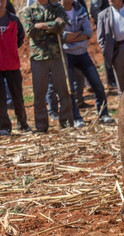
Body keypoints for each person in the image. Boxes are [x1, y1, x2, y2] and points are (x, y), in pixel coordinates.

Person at [22, 0, 73, 132]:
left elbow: (61, 26)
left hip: (57, 56)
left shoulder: (57, 7)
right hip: (39, 58)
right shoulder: (29, 10)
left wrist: (42, 25)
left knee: (63, 91)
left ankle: (66, 122)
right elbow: (30, 32)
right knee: (39, 93)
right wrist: (51, 26)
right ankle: (41, 126)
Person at [61, 0, 114, 125]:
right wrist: (78, 35)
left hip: (82, 53)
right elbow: (61, 36)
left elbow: (88, 32)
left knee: (97, 84)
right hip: (66, 55)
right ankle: (76, 118)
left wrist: (71, 37)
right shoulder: (57, 11)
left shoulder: (80, 9)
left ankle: (103, 114)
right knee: (70, 89)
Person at [0, 0, 31, 135]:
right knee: (0, 99)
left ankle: (22, 124)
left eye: (2, 0)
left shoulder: (13, 20)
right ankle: (4, 127)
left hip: (12, 65)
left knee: (17, 97)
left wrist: (10, 50)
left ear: (6, 2)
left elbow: (21, 37)